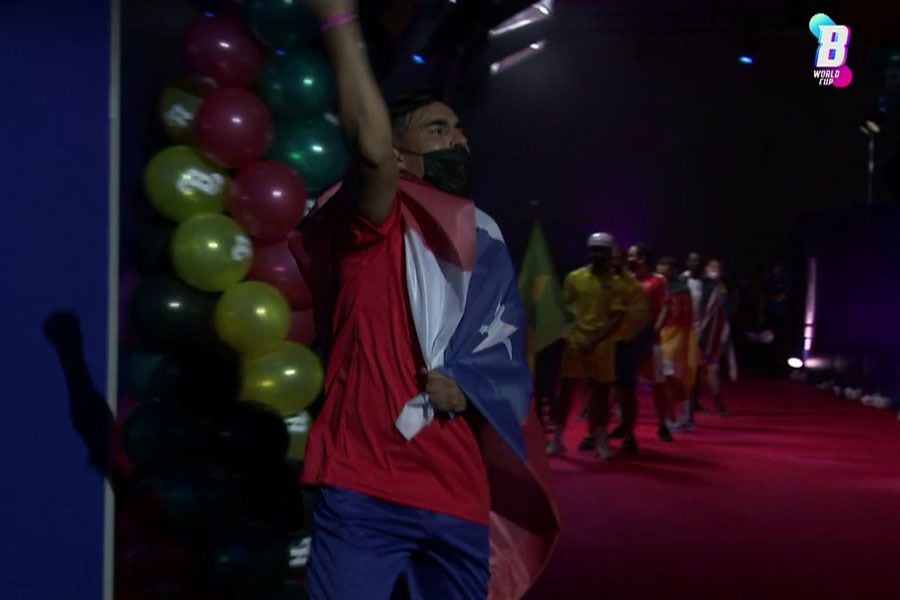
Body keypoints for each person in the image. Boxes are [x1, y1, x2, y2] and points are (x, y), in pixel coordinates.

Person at [289, 3, 557, 599]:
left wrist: (466, 387)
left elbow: (505, 357)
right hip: (366, 486)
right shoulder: (377, 219)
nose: (457, 138)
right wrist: (340, 25)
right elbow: (372, 151)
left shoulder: (484, 237)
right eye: (437, 130)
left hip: (457, 492)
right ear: (405, 157)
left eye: (459, 129)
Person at [545, 232, 626, 460]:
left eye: (601, 250)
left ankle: (601, 440)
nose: (596, 254)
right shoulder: (574, 277)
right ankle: (558, 439)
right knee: (566, 391)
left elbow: (616, 318)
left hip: (602, 345)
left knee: (600, 395)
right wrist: (565, 334)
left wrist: (594, 340)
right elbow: (564, 309)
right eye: (593, 249)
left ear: (610, 253)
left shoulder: (618, 283)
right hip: (575, 343)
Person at [624, 244, 673, 442]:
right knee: (625, 386)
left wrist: (655, 330)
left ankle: (663, 424)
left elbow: (665, 307)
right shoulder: (625, 279)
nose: (628, 258)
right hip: (627, 340)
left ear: (642, 259)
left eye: (632, 255)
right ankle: (626, 428)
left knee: (658, 384)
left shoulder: (658, 280)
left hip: (650, 340)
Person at [608, 245, 651, 455]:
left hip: (623, 345)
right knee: (599, 392)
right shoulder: (596, 280)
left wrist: (615, 332)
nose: (614, 261)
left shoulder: (633, 286)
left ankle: (628, 435)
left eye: (618, 257)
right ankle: (594, 433)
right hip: (600, 345)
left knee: (626, 393)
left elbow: (639, 317)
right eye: (611, 257)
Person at [681, 254, 728, 416]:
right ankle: (689, 405)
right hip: (685, 331)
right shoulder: (682, 281)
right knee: (691, 370)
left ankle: (716, 401)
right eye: (691, 261)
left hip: (705, 331)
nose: (694, 264)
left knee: (710, 367)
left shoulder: (711, 286)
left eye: (698, 262)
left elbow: (719, 308)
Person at [657, 257, 697, 430]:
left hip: (676, 337)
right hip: (661, 336)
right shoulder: (658, 284)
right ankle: (678, 416)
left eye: (665, 264)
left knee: (671, 378)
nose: (660, 267)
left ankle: (678, 417)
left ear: (673, 269)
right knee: (667, 379)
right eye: (660, 264)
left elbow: (682, 316)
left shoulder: (681, 288)